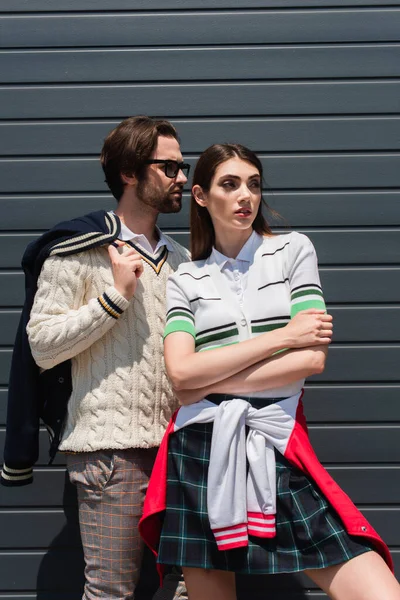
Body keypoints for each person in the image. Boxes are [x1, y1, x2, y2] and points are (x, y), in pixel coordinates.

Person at [139, 143, 400, 600]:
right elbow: (180, 374)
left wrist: (208, 381)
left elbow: (310, 360)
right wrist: (283, 336)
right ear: (200, 196)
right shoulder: (186, 278)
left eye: (254, 184)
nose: (246, 196)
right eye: (230, 184)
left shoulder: (293, 251)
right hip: (201, 450)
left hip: (274, 439)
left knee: (378, 591)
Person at [1, 116, 190, 599]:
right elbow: (41, 346)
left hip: (182, 449)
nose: (182, 179)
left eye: (182, 167)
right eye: (169, 167)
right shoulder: (79, 251)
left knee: (193, 587)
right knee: (111, 592)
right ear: (130, 171)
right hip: (114, 453)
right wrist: (114, 299)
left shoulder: (184, 260)